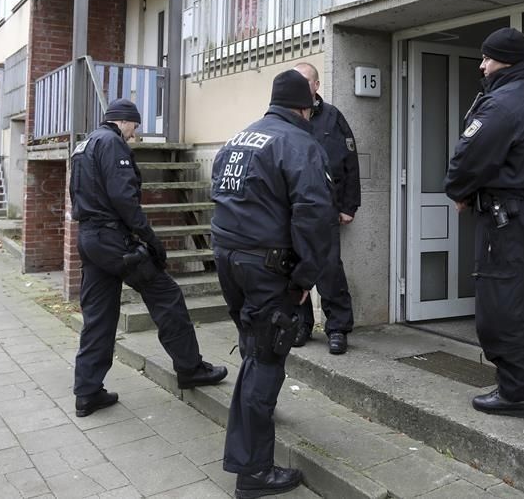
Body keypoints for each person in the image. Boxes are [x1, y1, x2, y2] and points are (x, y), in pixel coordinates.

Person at [210, 69, 336, 498]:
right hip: (266, 267)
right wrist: (304, 279)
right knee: (267, 357)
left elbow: (220, 198)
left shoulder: (238, 139)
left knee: (253, 346)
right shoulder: (300, 143)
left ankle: (251, 432)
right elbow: (315, 218)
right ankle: (253, 471)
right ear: (306, 107)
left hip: (231, 260)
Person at [70, 98, 227, 417]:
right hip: (114, 240)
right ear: (124, 121)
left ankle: (87, 392)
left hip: (89, 238)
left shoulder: (83, 145)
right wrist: (151, 240)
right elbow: (124, 199)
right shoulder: (111, 144)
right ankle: (190, 368)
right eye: (134, 127)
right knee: (167, 296)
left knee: (99, 316)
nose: (134, 134)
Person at [444, 27, 524, 419]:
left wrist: (458, 191)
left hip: (505, 219)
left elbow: (469, 158)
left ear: (504, 61)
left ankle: (514, 393)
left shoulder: (503, 105)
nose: (482, 65)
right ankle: (521, 377)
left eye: (487, 59)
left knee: (500, 303)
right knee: (522, 295)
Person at [289, 62, 360, 355]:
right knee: (295, 267)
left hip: (326, 209)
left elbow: (350, 164)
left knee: (330, 270)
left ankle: (338, 328)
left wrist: (348, 205)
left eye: (304, 81)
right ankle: (301, 325)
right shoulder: (286, 116)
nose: (299, 86)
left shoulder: (333, 117)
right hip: (293, 210)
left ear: (317, 85)